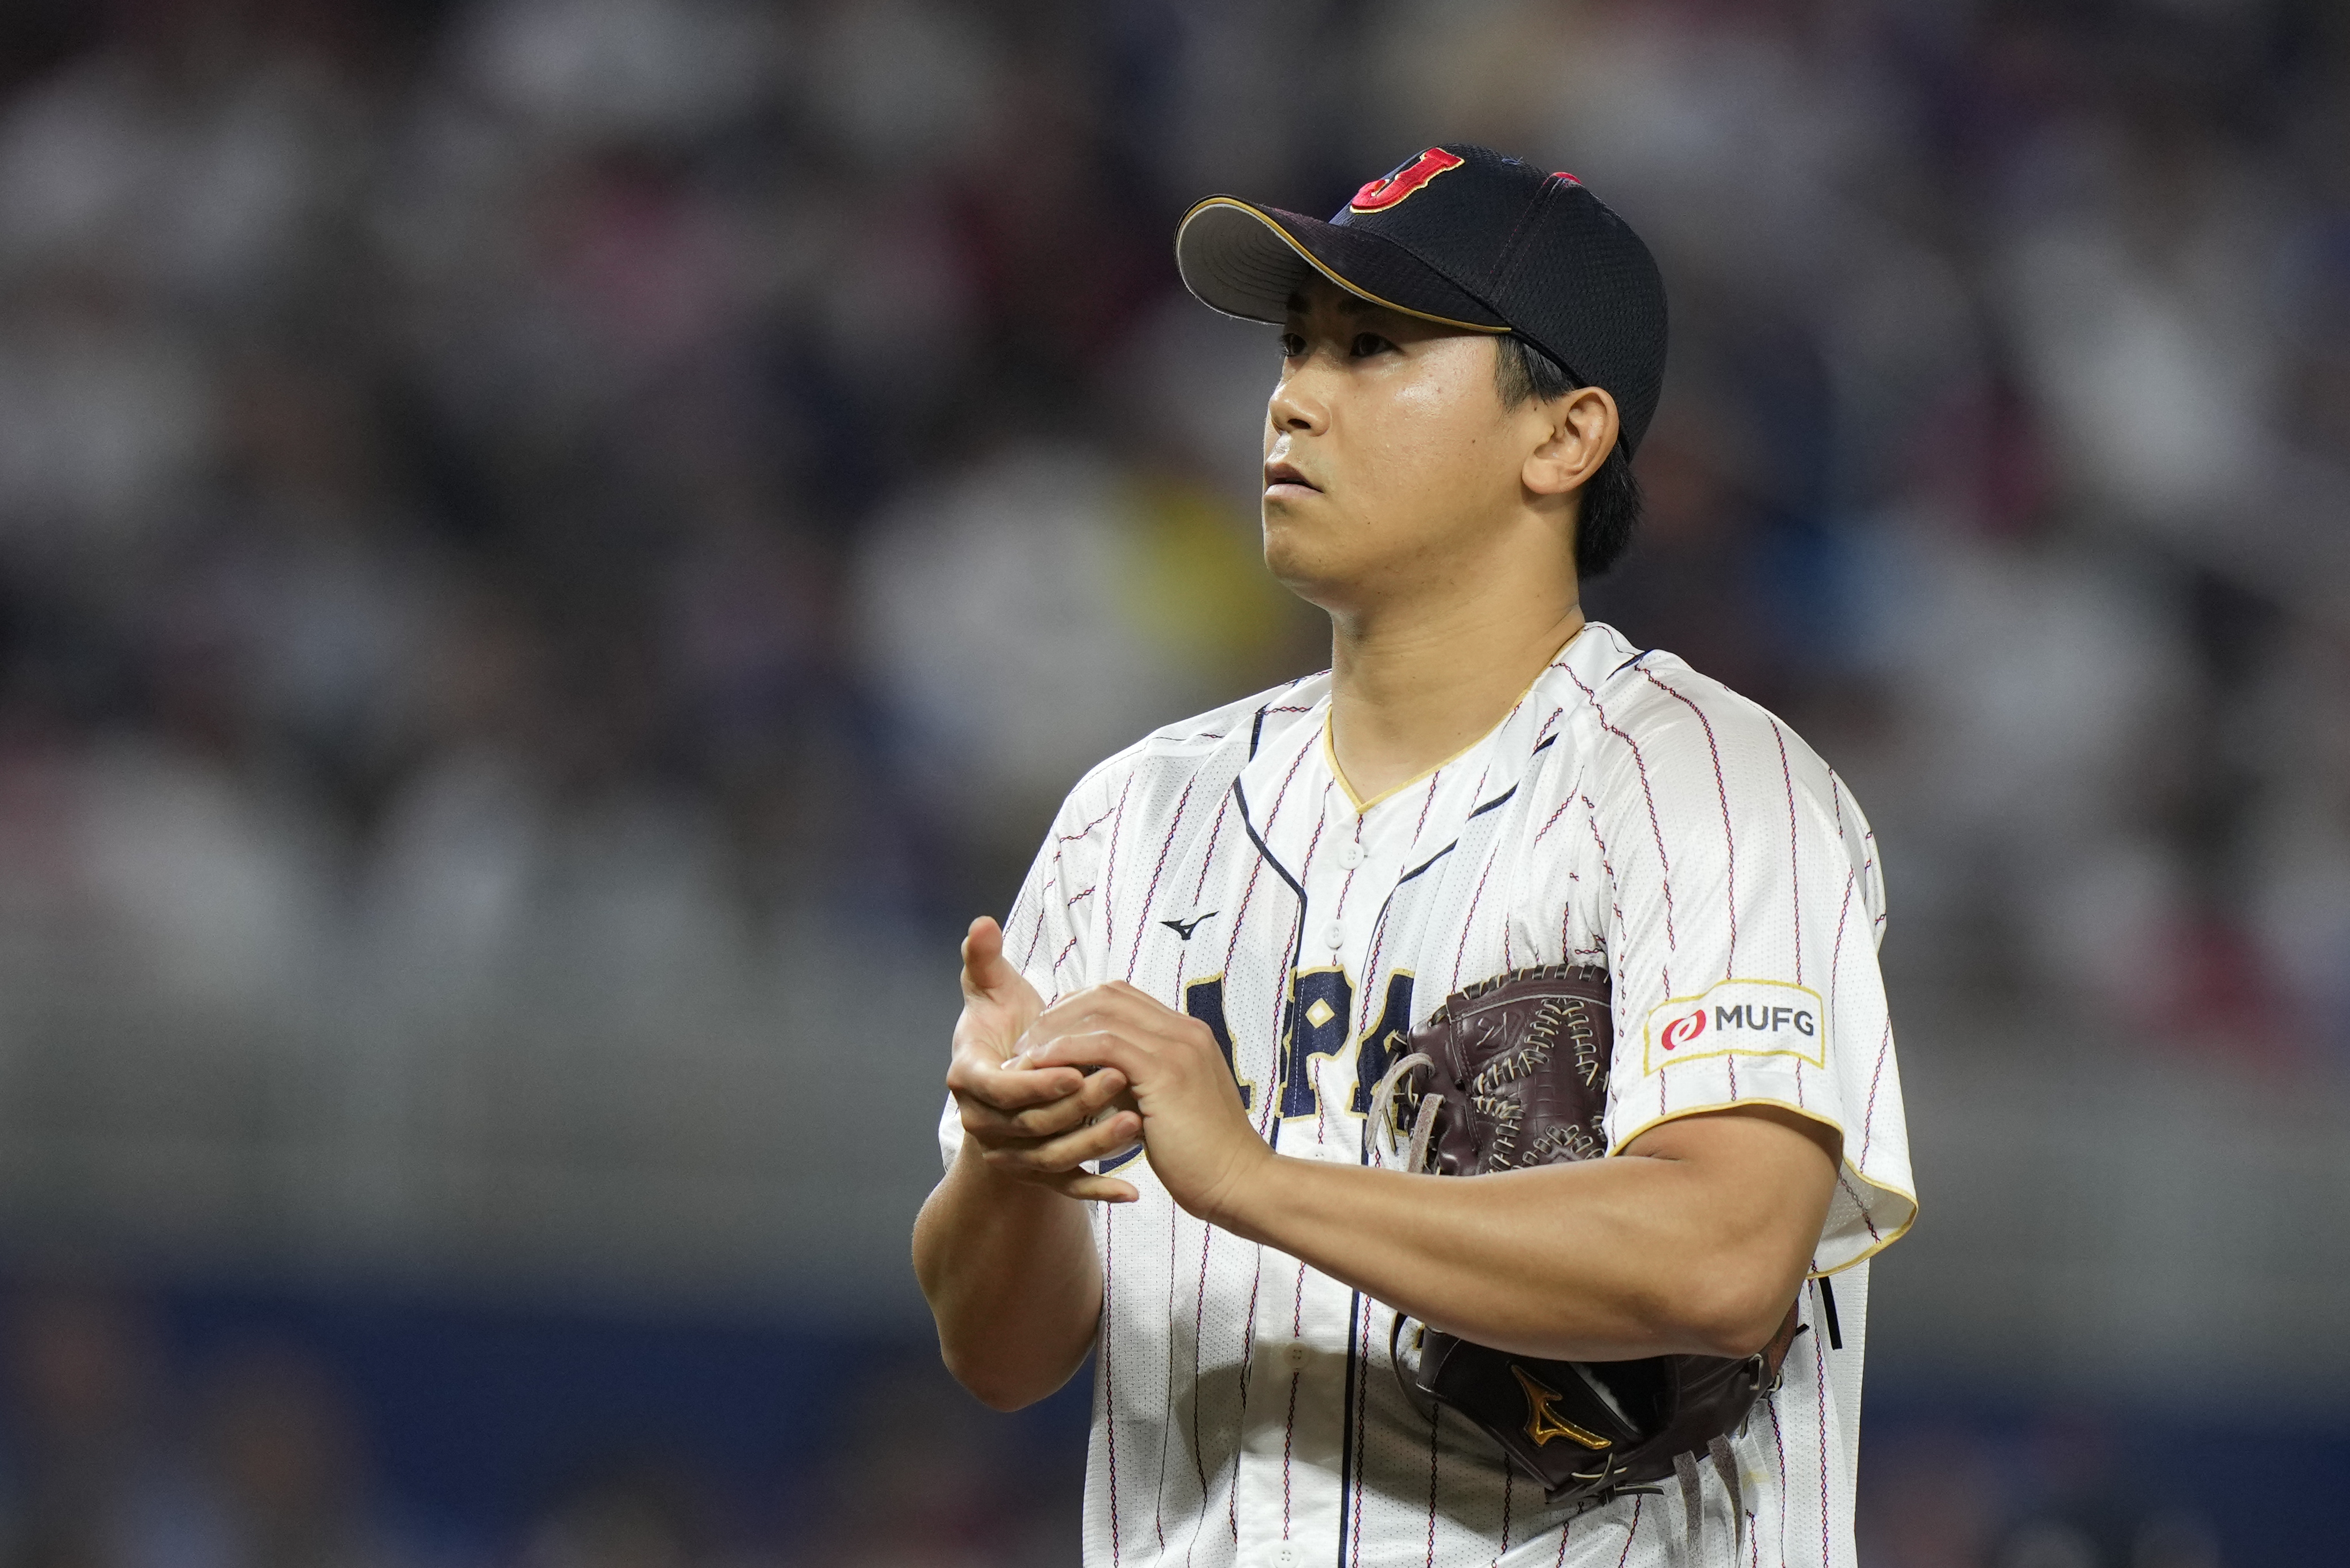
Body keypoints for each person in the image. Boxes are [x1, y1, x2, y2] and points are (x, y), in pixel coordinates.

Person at [911, 143, 1914, 1567]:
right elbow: (1002, 1355)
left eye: (1374, 348)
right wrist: (1013, 1164)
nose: (1295, 396)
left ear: (1564, 437)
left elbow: (1723, 1253)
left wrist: (1252, 1176)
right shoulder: (1136, 815)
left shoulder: (1710, 784)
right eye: (1297, 345)